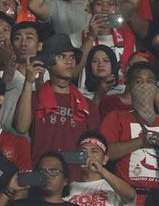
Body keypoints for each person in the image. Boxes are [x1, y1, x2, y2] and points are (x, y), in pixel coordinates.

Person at [101, 78, 159, 206]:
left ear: (156, 89)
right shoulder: (116, 117)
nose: (144, 86)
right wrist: (141, 141)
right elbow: (104, 153)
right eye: (138, 81)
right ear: (129, 88)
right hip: (130, 199)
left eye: (149, 82)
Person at [14, 33, 100, 171]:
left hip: (75, 180)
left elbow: (95, 149)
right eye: (61, 56)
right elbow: (20, 127)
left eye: (72, 57)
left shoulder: (87, 105)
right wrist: (29, 82)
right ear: (48, 62)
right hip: (41, 177)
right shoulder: (34, 97)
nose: (69, 61)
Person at [64, 131, 137, 206]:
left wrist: (101, 170)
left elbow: (131, 196)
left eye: (94, 151)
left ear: (105, 160)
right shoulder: (66, 188)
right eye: (83, 151)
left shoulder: (113, 186)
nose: (88, 155)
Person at [0, 152, 86, 206]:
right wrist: (9, 189)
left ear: (65, 180)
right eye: (42, 172)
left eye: (53, 171)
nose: (47, 175)